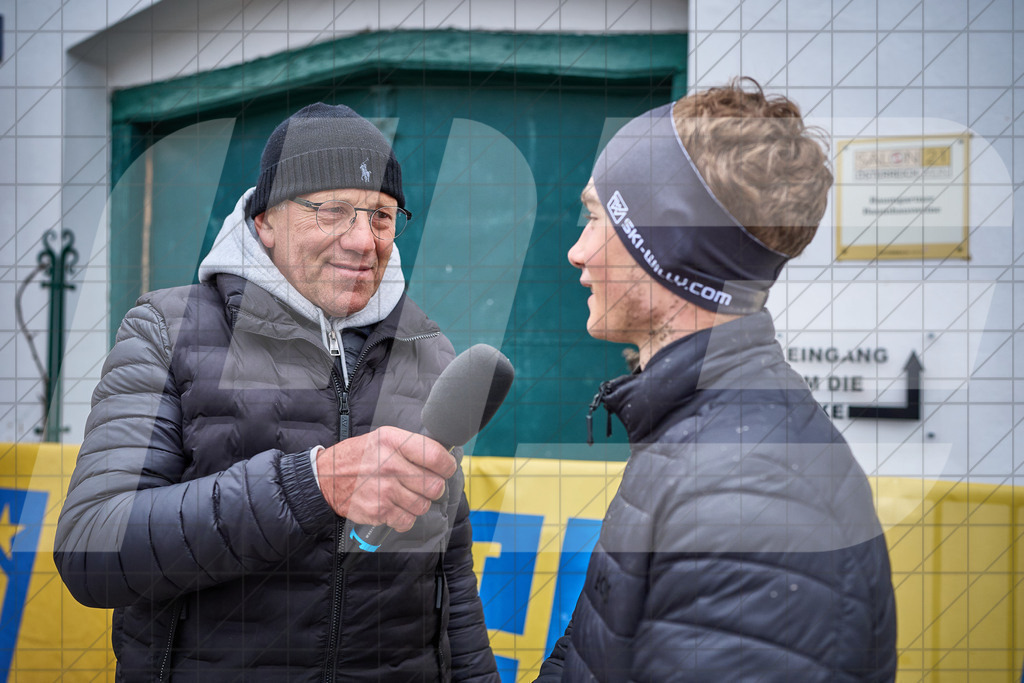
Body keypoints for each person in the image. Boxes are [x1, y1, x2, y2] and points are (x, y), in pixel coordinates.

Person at [55, 103, 499, 681]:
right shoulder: (167, 331)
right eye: (333, 211)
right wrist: (308, 485)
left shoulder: (427, 348)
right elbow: (93, 549)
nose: (364, 240)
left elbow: (450, 574)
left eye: (382, 216)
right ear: (264, 221)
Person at [537, 79, 897, 681]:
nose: (577, 252)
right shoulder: (698, 436)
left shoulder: (747, 494)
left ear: (667, 249)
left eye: (596, 218)